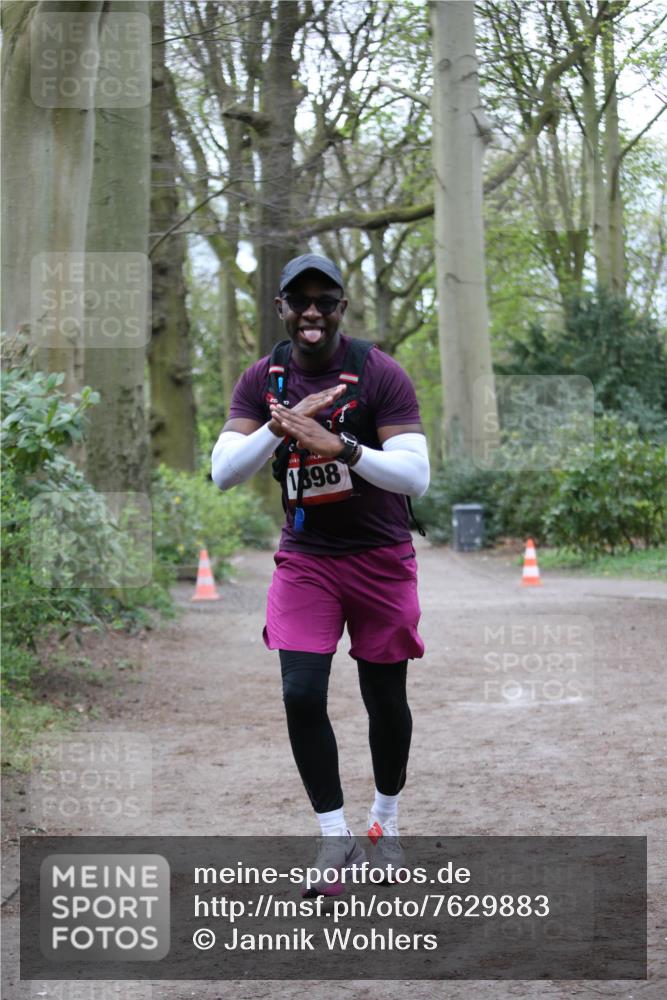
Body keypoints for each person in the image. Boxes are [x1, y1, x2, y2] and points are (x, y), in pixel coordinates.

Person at [211, 253, 429, 894]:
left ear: (341, 308)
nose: (312, 311)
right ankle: (333, 839)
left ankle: (383, 825)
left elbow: (416, 475)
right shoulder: (263, 378)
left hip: (380, 558)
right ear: (280, 307)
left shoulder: (378, 372)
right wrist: (283, 430)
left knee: (384, 700)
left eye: (325, 301)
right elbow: (224, 473)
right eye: (298, 300)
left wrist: (344, 447)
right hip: (307, 559)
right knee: (301, 692)